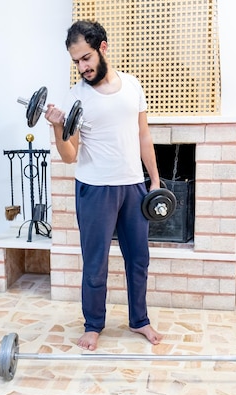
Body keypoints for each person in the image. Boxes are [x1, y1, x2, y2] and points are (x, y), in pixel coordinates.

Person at [45, 20, 163, 351]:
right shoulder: (75, 99)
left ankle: (140, 320)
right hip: (95, 189)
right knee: (95, 262)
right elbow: (70, 156)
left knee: (139, 259)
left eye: (86, 58)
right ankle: (94, 324)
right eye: (76, 62)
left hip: (133, 187)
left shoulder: (133, 86)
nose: (82, 67)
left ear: (103, 48)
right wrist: (57, 129)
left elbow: (144, 135)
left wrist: (153, 180)